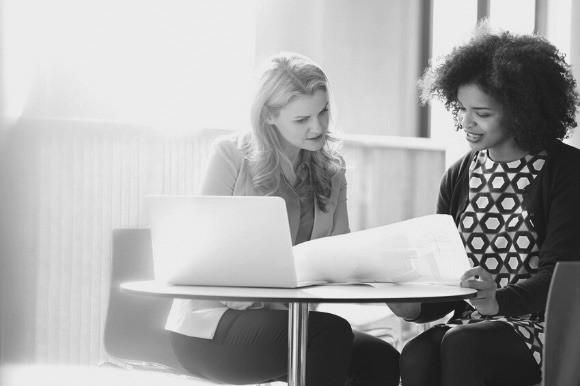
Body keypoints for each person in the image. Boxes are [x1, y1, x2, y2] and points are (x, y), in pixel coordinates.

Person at [166, 52, 400, 385]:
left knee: (381, 357)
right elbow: (199, 252)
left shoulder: (332, 171)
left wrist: (381, 263)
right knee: (330, 334)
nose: (317, 127)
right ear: (270, 117)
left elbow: (340, 255)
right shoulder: (231, 155)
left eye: (323, 112)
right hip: (212, 326)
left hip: (295, 324)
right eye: (302, 119)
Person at [388, 24, 580, 386]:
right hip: (472, 325)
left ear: (522, 111)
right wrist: (410, 304)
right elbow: (447, 280)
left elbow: (559, 277)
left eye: (482, 113)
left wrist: (498, 301)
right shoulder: (459, 174)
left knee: (464, 345)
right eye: (462, 109)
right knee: (416, 355)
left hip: (544, 328)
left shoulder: (567, 172)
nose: (466, 122)